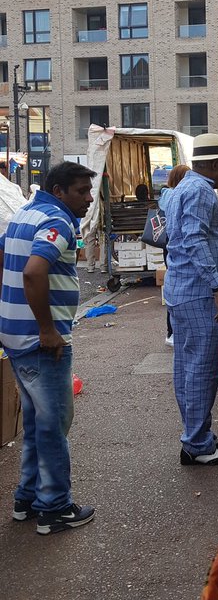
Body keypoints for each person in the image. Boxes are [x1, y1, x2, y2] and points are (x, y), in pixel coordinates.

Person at [0, 161, 95, 534]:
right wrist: (47, 330)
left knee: (39, 421)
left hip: (14, 334)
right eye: (81, 192)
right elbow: (34, 271)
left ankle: (26, 499)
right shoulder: (57, 221)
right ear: (59, 191)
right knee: (54, 422)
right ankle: (54, 507)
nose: (88, 199)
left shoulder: (26, 213)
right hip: (40, 341)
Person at [164, 135, 218, 466]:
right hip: (198, 293)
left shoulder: (186, 187)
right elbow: (193, 240)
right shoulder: (199, 191)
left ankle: (198, 434)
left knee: (187, 367)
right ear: (212, 165)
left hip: (185, 290)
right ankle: (197, 445)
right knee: (200, 369)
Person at [158, 163, 190, 345]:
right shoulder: (174, 195)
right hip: (176, 245)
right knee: (178, 287)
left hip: (168, 245)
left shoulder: (165, 195)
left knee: (174, 286)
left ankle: (172, 332)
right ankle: (173, 332)